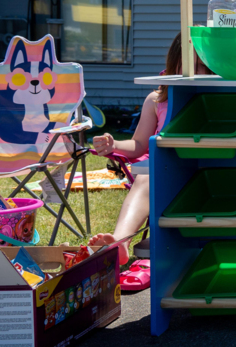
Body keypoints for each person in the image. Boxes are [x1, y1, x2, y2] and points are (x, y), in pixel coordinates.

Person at [88, 34, 208, 288]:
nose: (195, 73)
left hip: (204, 172)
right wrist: (114, 145)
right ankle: (119, 242)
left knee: (151, 176)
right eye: (187, 66)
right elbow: (139, 145)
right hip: (164, 172)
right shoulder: (157, 100)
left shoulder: (217, 95)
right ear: (174, 63)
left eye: (202, 67)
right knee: (146, 176)